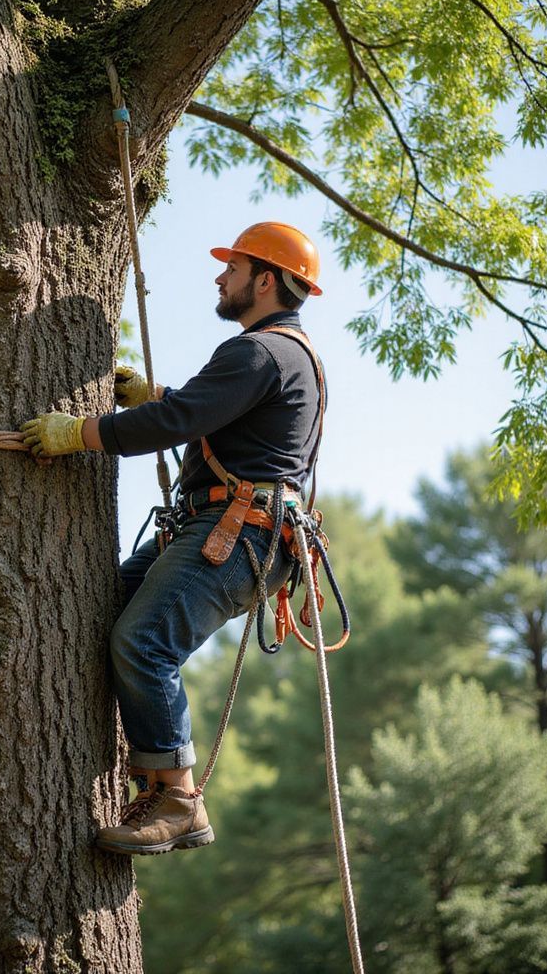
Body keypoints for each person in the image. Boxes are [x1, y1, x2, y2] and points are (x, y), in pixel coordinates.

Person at [22, 222, 326, 855]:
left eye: (234, 269)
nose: (221, 278)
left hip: (236, 531)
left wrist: (77, 433)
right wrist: (159, 395)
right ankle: (155, 775)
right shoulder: (284, 355)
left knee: (145, 640)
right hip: (228, 528)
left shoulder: (259, 351)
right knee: (99, 606)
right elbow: (218, 418)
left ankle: (181, 799)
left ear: (265, 280)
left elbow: (183, 421)